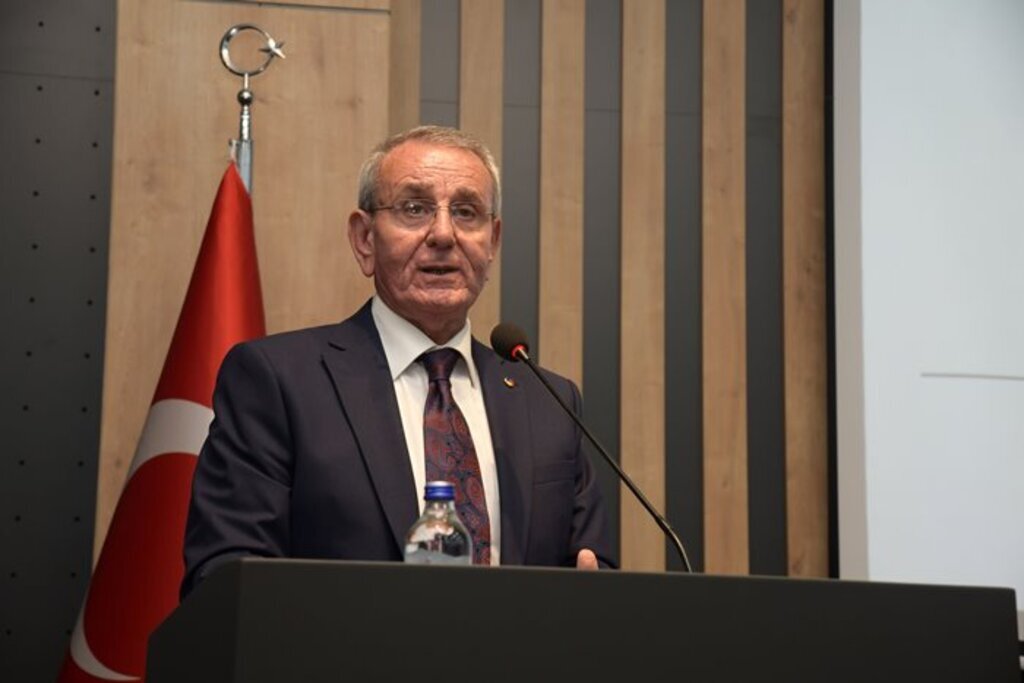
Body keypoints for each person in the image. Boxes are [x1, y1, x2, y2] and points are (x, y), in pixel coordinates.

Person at [181, 125, 615, 598]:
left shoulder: (549, 403)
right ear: (365, 239)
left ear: (492, 242)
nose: (444, 234)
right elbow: (225, 578)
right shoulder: (278, 382)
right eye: (414, 209)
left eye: (466, 212)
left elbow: (593, 574)